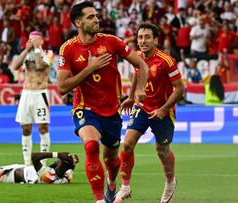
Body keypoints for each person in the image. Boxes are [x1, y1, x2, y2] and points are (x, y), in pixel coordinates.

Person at [57, 2, 149, 203]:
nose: (97, 19)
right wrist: (90, 68)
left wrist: (139, 89)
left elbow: (141, 65)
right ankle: (99, 200)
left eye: (96, 15)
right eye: (91, 17)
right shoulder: (68, 49)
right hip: (85, 108)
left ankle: (112, 183)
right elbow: (62, 86)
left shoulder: (112, 42)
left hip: (112, 111)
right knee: (91, 146)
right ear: (78, 22)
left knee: (112, 161)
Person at [114, 23, 184, 203]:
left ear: (155, 40)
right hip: (142, 107)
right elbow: (137, 74)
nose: (143, 41)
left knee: (162, 150)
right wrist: (131, 96)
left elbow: (179, 89)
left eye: (147, 37)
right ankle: (125, 187)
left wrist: (164, 109)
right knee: (127, 143)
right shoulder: (137, 57)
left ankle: (170, 181)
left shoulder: (166, 60)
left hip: (163, 111)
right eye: (140, 37)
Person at [11, 31, 52, 166]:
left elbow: (40, 66)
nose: (31, 41)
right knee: (25, 128)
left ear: (40, 41)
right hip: (26, 93)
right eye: (30, 39)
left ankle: (43, 163)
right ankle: (27, 162)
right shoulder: (26, 54)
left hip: (41, 93)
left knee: (42, 127)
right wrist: (26, 50)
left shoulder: (48, 54)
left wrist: (36, 49)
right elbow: (15, 66)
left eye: (34, 39)